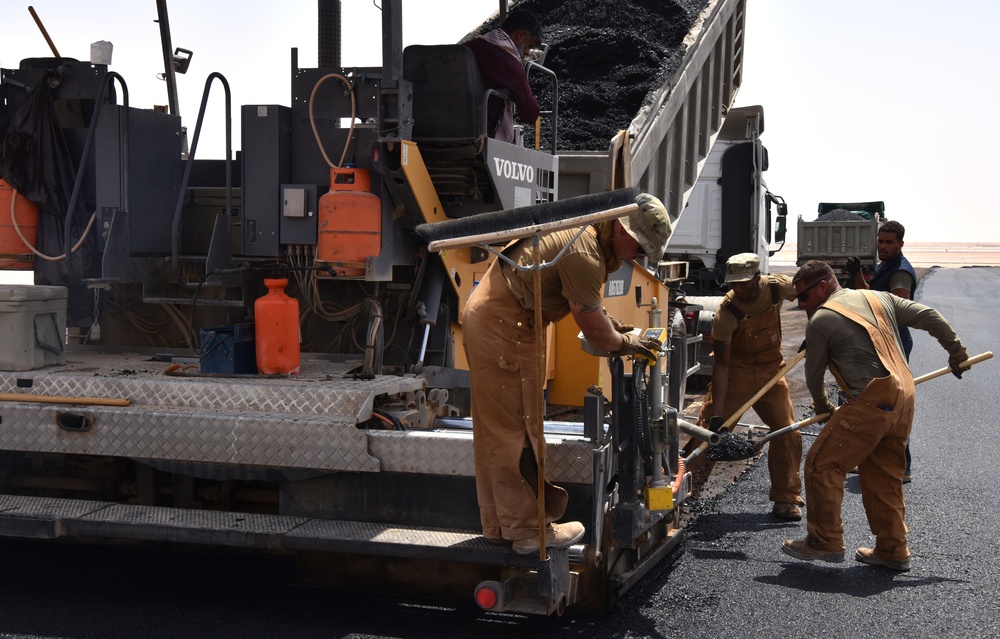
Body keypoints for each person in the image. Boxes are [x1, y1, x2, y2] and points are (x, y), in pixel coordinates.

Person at [461, 193, 674, 555]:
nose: (637, 256)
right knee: (520, 429)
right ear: (621, 228)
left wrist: (619, 330)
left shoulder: (584, 234)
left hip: (498, 319)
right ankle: (528, 531)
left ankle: (500, 525)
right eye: (638, 247)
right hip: (506, 327)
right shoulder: (585, 253)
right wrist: (628, 343)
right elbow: (595, 332)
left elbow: (592, 309)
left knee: (495, 430)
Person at [781, 260, 970, 571]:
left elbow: (813, 377)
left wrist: (822, 406)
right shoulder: (878, 297)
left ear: (824, 286)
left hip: (871, 401)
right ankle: (892, 549)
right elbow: (930, 316)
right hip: (904, 394)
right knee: (884, 474)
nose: (802, 304)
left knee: (822, 464)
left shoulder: (822, 319)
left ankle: (825, 540)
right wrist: (956, 352)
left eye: (804, 297)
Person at [696, 253, 804, 521]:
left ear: (758, 277)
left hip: (771, 372)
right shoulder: (727, 311)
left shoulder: (779, 287)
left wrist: (818, 329)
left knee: (787, 432)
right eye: (734, 283)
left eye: (744, 283)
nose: (738, 289)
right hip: (736, 373)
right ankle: (689, 490)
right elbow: (721, 365)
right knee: (707, 434)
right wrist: (718, 416)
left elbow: (814, 294)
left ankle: (786, 498)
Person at [847, 220, 917, 482]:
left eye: (889, 242)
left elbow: (898, 311)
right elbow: (870, 296)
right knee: (875, 402)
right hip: (880, 342)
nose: (883, 246)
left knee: (894, 405)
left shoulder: (900, 273)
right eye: (881, 241)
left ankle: (903, 467)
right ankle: (872, 459)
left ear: (900, 244)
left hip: (894, 343)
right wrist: (857, 274)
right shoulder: (883, 267)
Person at [464, 8, 542, 143]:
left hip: (441, 127)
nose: (528, 52)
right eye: (529, 45)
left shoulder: (467, 48)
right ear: (521, 35)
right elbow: (530, 113)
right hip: (483, 136)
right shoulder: (509, 63)